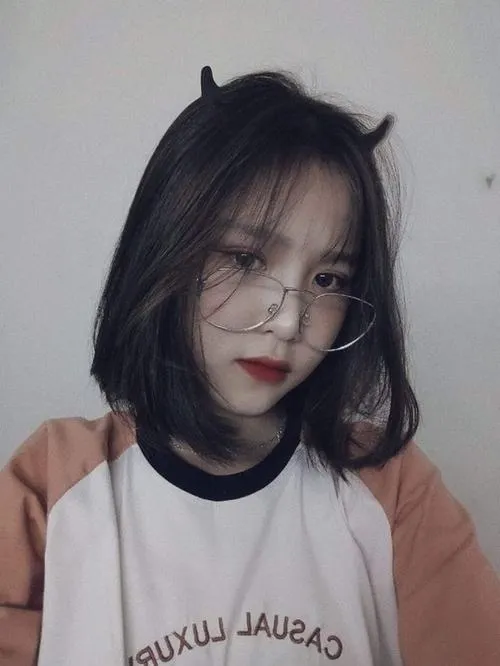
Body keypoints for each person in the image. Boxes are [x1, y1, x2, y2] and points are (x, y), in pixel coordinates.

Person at [1, 66, 499, 666]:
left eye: (328, 279)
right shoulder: (53, 483)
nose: (289, 321)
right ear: (163, 251)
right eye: (244, 259)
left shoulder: (391, 488)